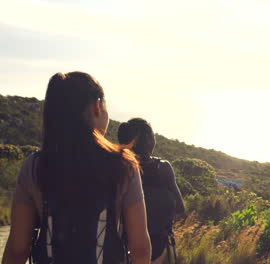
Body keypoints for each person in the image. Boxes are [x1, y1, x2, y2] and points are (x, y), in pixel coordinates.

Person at [2, 72, 151, 264]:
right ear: (97, 106)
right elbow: (140, 248)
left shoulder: (35, 165)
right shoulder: (123, 165)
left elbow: (18, 249)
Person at [118, 118, 185, 264]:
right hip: (159, 248)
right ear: (148, 139)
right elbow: (181, 207)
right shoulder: (163, 168)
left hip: (123, 248)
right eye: (153, 136)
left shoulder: (121, 167)